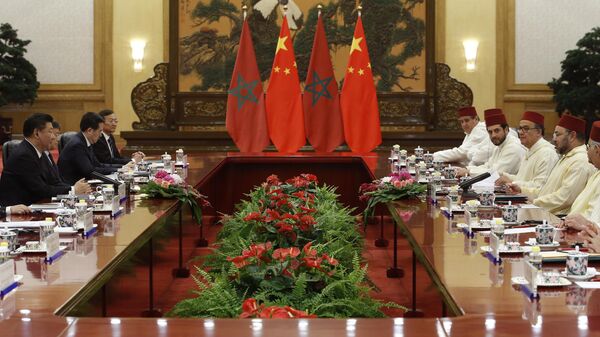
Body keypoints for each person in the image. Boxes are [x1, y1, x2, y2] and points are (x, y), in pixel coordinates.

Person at [507, 114, 595, 215]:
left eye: (558, 135)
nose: (554, 139)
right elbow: (546, 192)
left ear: (572, 136)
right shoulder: (567, 157)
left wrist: (534, 203)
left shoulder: (580, 161)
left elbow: (564, 198)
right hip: (546, 213)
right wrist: (522, 190)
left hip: (558, 219)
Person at [0, 113, 90, 205]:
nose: (53, 137)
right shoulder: (24, 156)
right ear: (36, 133)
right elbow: (41, 190)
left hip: (36, 206)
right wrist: (73, 190)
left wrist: (76, 191)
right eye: (50, 132)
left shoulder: (39, 152)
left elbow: (54, 182)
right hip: (19, 214)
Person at [495, 111, 558, 190]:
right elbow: (522, 179)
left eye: (526, 129)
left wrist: (512, 182)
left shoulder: (547, 154)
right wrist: (505, 177)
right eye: (520, 128)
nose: (520, 132)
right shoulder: (530, 150)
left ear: (538, 132)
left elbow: (540, 187)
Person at [455, 111, 525, 177]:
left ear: (506, 130)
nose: (493, 135)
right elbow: (488, 166)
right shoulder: (499, 145)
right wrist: (467, 169)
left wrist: (469, 172)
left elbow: (496, 173)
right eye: (490, 132)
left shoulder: (513, 148)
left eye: (497, 131)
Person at [559, 121, 600, 231]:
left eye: (588, 147)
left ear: (597, 149)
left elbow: (594, 218)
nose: (586, 151)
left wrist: (584, 224)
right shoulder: (597, 172)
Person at [58, 112, 120, 185]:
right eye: (100, 131)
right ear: (90, 130)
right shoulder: (77, 145)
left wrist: (120, 168)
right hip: (72, 187)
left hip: (84, 183)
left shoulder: (85, 141)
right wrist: (117, 170)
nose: (100, 135)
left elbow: (98, 164)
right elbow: (90, 171)